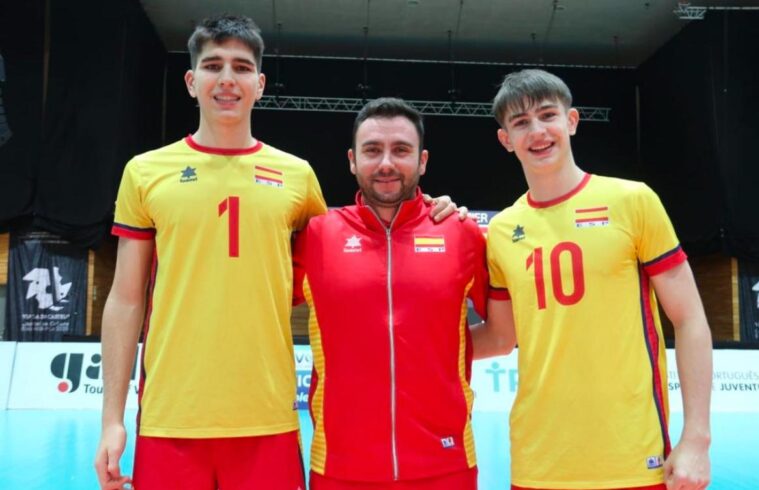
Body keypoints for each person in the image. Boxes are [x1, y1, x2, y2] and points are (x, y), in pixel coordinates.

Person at [93, 16, 459, 490]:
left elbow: (360, 248)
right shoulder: (145, 172)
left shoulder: (296, 175)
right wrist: (111, 420)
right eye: (213, 66)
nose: (227, 80)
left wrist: (427, 207)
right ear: (191, 81)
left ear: (260, 84)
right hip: (171, 416)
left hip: (270, 417)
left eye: (242, 68)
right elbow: (124, 299)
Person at [471, 69, 712, 490]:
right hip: (538, 461)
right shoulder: (503, 231)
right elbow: (499, 338)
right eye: (521, 122)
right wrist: (405, 344)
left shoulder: (632, 200)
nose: (538, 131)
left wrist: (697, 439)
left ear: (572, 121)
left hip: (633, 456)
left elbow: (690, 319)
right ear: (505, 140)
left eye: (548, 115)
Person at [292, 98, 489, 490]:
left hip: (445, 466)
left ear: (423, 161)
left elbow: (503, 335)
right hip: (340, 469)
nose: (386, 164)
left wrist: (433, 348)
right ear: (351, 160)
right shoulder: (316, 235)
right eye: (372, 150)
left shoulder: (461, 233)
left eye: (401, 150)